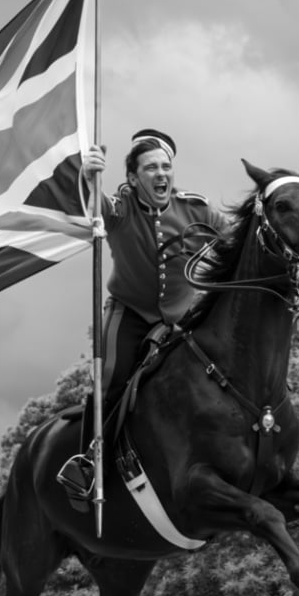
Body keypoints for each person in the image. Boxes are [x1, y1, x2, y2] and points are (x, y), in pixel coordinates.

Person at [85, 129, 229, 397]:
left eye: (166, 166)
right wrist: (89, 182)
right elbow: (95, 207)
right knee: (107, 384)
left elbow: (236, 244)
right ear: (133, 178)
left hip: (185, 318)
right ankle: (95, 440)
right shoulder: (121, 208)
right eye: (151, 167)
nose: (161, 173)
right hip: (129, 314)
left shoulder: (197, 209)